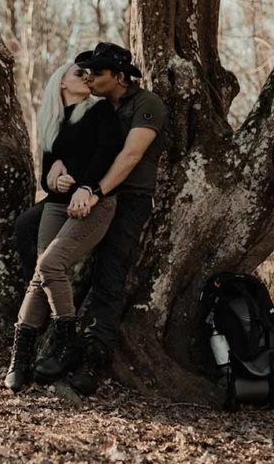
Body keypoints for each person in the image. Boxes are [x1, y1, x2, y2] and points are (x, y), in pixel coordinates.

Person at [13, 42, 167, 397]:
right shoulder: (92, 106)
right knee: (28, 231)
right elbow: (65, 151)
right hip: (80, 196)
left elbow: (128, 157)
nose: (90, 77)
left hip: (125, 197)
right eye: (85, 72)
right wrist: (56, 171)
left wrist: (94, 191)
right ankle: (41, 330)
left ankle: (92, 359)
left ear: (119, 76)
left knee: (108, 274)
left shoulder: (146, 104)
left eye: (97, 72)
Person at [4, 61, 123, 392]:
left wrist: (85, 186)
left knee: (50, 265)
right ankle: (20, 358)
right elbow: (46, 175)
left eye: (89, 73)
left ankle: (66, 344)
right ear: (62, 84)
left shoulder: (100, 111)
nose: (86, 77)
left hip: (93, 204)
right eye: (78, 73)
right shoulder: (53, 121)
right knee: (39, 277)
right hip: (57, 205)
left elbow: (107, 154)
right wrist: (53, 181)